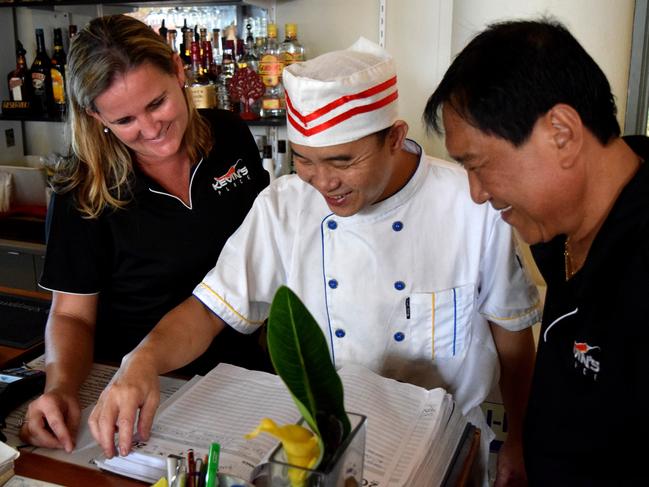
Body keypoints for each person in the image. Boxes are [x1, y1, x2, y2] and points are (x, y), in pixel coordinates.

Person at [88, 38, 541, 485]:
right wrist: (142, 362)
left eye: (342, 162)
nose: (324, 183)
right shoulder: (284, 205)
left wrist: (521, 440)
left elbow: (513, 336)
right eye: (304, 161)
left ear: (394, 138)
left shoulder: (471, 203)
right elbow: (209, 310)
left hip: (447, 455)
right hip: (324, 455)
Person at [19, 15, 270, 453]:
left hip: (243, 371)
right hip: (139, 386)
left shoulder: (228, 135)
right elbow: (72, 316)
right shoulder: (84, 186)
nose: (151, 130)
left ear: (178, 71)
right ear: (96, 116)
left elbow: (267, 246)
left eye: (157, 104)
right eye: (125, 120)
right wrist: (59, 389)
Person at [424, 18, 649, 485]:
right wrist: (524, 443)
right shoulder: (557, 233)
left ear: (561, 133)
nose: (476, 194)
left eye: (478, 165)